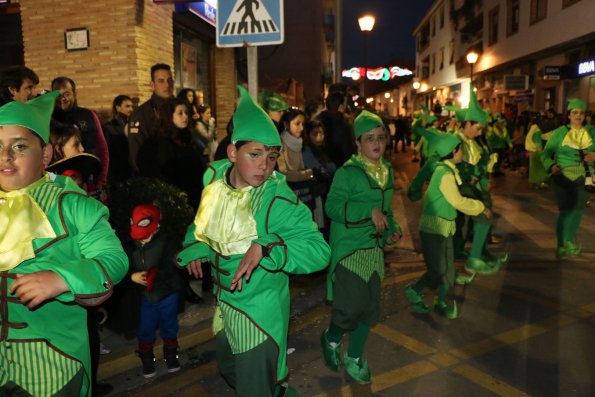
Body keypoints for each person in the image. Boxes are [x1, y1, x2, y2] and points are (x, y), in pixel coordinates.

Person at [176, 86, 330, 397]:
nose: (264, 165)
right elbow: (203, 224)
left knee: (252, 386)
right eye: (255, 154)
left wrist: (268, 246)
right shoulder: (214, 182)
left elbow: (319, 251)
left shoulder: (276, 199)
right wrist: (194, 245)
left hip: (260, 313)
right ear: (232, 153)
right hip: (225, 306)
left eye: (272, 156)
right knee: (230, 370)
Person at [0, 91, 128, 396]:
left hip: (53, 363)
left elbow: (114, 259)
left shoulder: (72, 204)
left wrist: (62, 278)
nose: (6, 157)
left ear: (45, 155)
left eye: (19, 146)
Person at [321, 110, 401, 384]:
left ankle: (354, 357)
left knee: (369, 310)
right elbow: (331, 208)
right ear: (358, 142)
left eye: (381, 138)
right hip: (349, 250)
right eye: (370, 139)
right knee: (349, 310)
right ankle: (331, 338)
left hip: (374, 251)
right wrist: (369, 210)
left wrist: (392, 229)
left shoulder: (386, 172)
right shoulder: (348, 173)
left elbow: (386, 211)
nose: (377, 143)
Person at [405, 132, 488, 319]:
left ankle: (441, 302)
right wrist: (480, 207)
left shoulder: (448, 170)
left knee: (448, 268)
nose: (463, 153)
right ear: (453, 151)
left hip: (445, 227)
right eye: (461, 149)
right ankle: (414, 290)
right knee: (438, 270)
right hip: (433, 229)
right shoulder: (444, 174)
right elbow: (457, 201)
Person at [126, 204, 182, 378]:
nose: (143, 239)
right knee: (145, 328)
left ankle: (171, 354)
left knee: (169, 325)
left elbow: (175, 264)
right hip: (144, 296)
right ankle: (146, 357)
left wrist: (155, 275)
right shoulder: (128, 245)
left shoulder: (168, 241)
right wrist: (131, 276)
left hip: (167, 292)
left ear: (156, 225)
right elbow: (118, 267)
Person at [541, 98, 595, 259]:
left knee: (578, 210)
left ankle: (569, 241)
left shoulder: (592, 132)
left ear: (585, 116)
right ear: (569, 115)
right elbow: (545, 153)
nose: (578, 116)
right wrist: (551, 166)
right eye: (575, 113)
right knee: (566, 211)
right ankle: (561, 245)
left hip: (586, 177)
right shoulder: (559, 133)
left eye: (581, 113)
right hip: (562, 176)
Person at [51, 76, 109, 191]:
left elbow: (102, 148)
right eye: (57, 94)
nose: (62, 98)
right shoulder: (48, 119)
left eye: (67, 93)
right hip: (60, 182)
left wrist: (102, 178)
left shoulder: (88, 115)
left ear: (74, 94)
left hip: (90, 178)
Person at [128, 63, 174, 174]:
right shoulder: (142, 113)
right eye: (161, 81)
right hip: (157, 176)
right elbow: (136, 152)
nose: (167, 85)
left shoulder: (180, 108)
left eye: (169, 80)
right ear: (152, 85)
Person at [316, 91, 357, 168]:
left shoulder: (317, 121)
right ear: (341, 106)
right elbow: (348, 150)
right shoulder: (344, 123)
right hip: (341, 168)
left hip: (322, 168)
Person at [103, 95, 134, 185]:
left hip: (133, 171)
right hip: (117, 172)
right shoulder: (109, 127)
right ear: (118, 108)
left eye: (132, 106)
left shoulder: (134, 124)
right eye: (127, 106)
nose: (131, 109)